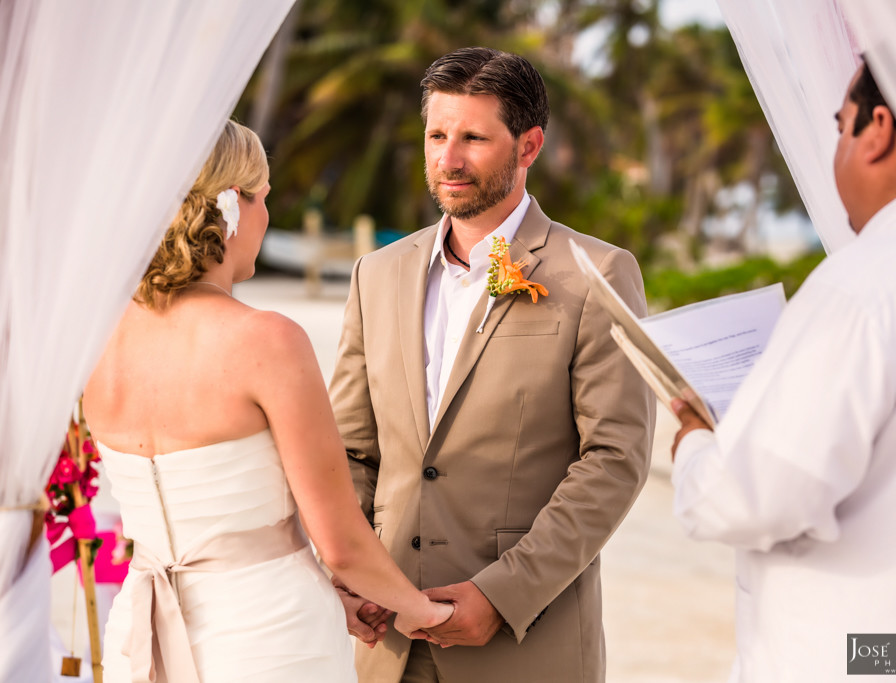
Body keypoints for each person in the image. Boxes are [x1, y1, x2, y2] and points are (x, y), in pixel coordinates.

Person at [670, 60, 896, 681]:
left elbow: (750, 499)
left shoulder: (870, 281)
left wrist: (696, 442)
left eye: (841, 127)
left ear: (878, 129)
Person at [83, 120, 453, 682]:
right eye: (265, 200)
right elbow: (341, 540)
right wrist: (425, 612)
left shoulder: (98, 342)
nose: (267, 218)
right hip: (271, 635)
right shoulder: (266, 341)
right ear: (232, 207)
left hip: (143, 630)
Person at [328, 47, 654, 682]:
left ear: (528, 146)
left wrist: (503, 596)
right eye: (437, 135)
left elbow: (616, 460)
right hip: (385, 644)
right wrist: (348, 571)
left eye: (473, 138)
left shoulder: (597, 275)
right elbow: (352, 449)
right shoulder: (377, 274)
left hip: (524, 646)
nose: (448, 159)